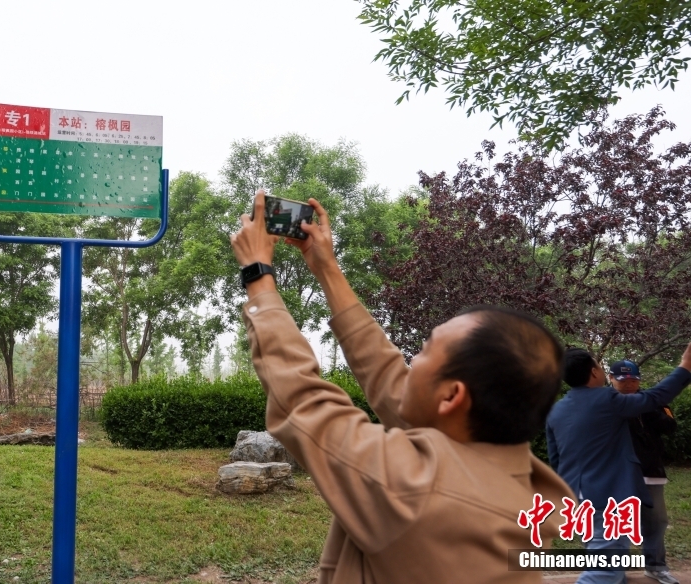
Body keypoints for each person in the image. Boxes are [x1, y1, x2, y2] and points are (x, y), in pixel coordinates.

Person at [229, 190, 574, 583]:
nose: (409, 362)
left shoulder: (417, 493)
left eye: (425, 350)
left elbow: (304, 404)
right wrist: (327, 268)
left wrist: (258, 274)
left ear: (452, 396)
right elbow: (389, 379)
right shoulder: (510, 476)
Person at [546, 349, 691, 584]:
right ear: (595, 372)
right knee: (605, 570)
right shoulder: (607, 399)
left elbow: (556, 458)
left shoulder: (556, 410)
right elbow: (656, 396)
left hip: (576, 494)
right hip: (607, 494)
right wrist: (685, 366)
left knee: (604, 558)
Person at [608, 359, 680, 584]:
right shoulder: (603, 402)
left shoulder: (653, 400)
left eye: (633, 380)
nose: (629, 384)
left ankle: (655, 567)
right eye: (623, 380)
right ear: (611, 379)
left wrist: (645, 407)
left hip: (650, 471)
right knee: (617, 521)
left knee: (656, 521)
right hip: (616, 472)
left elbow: (670, 426)